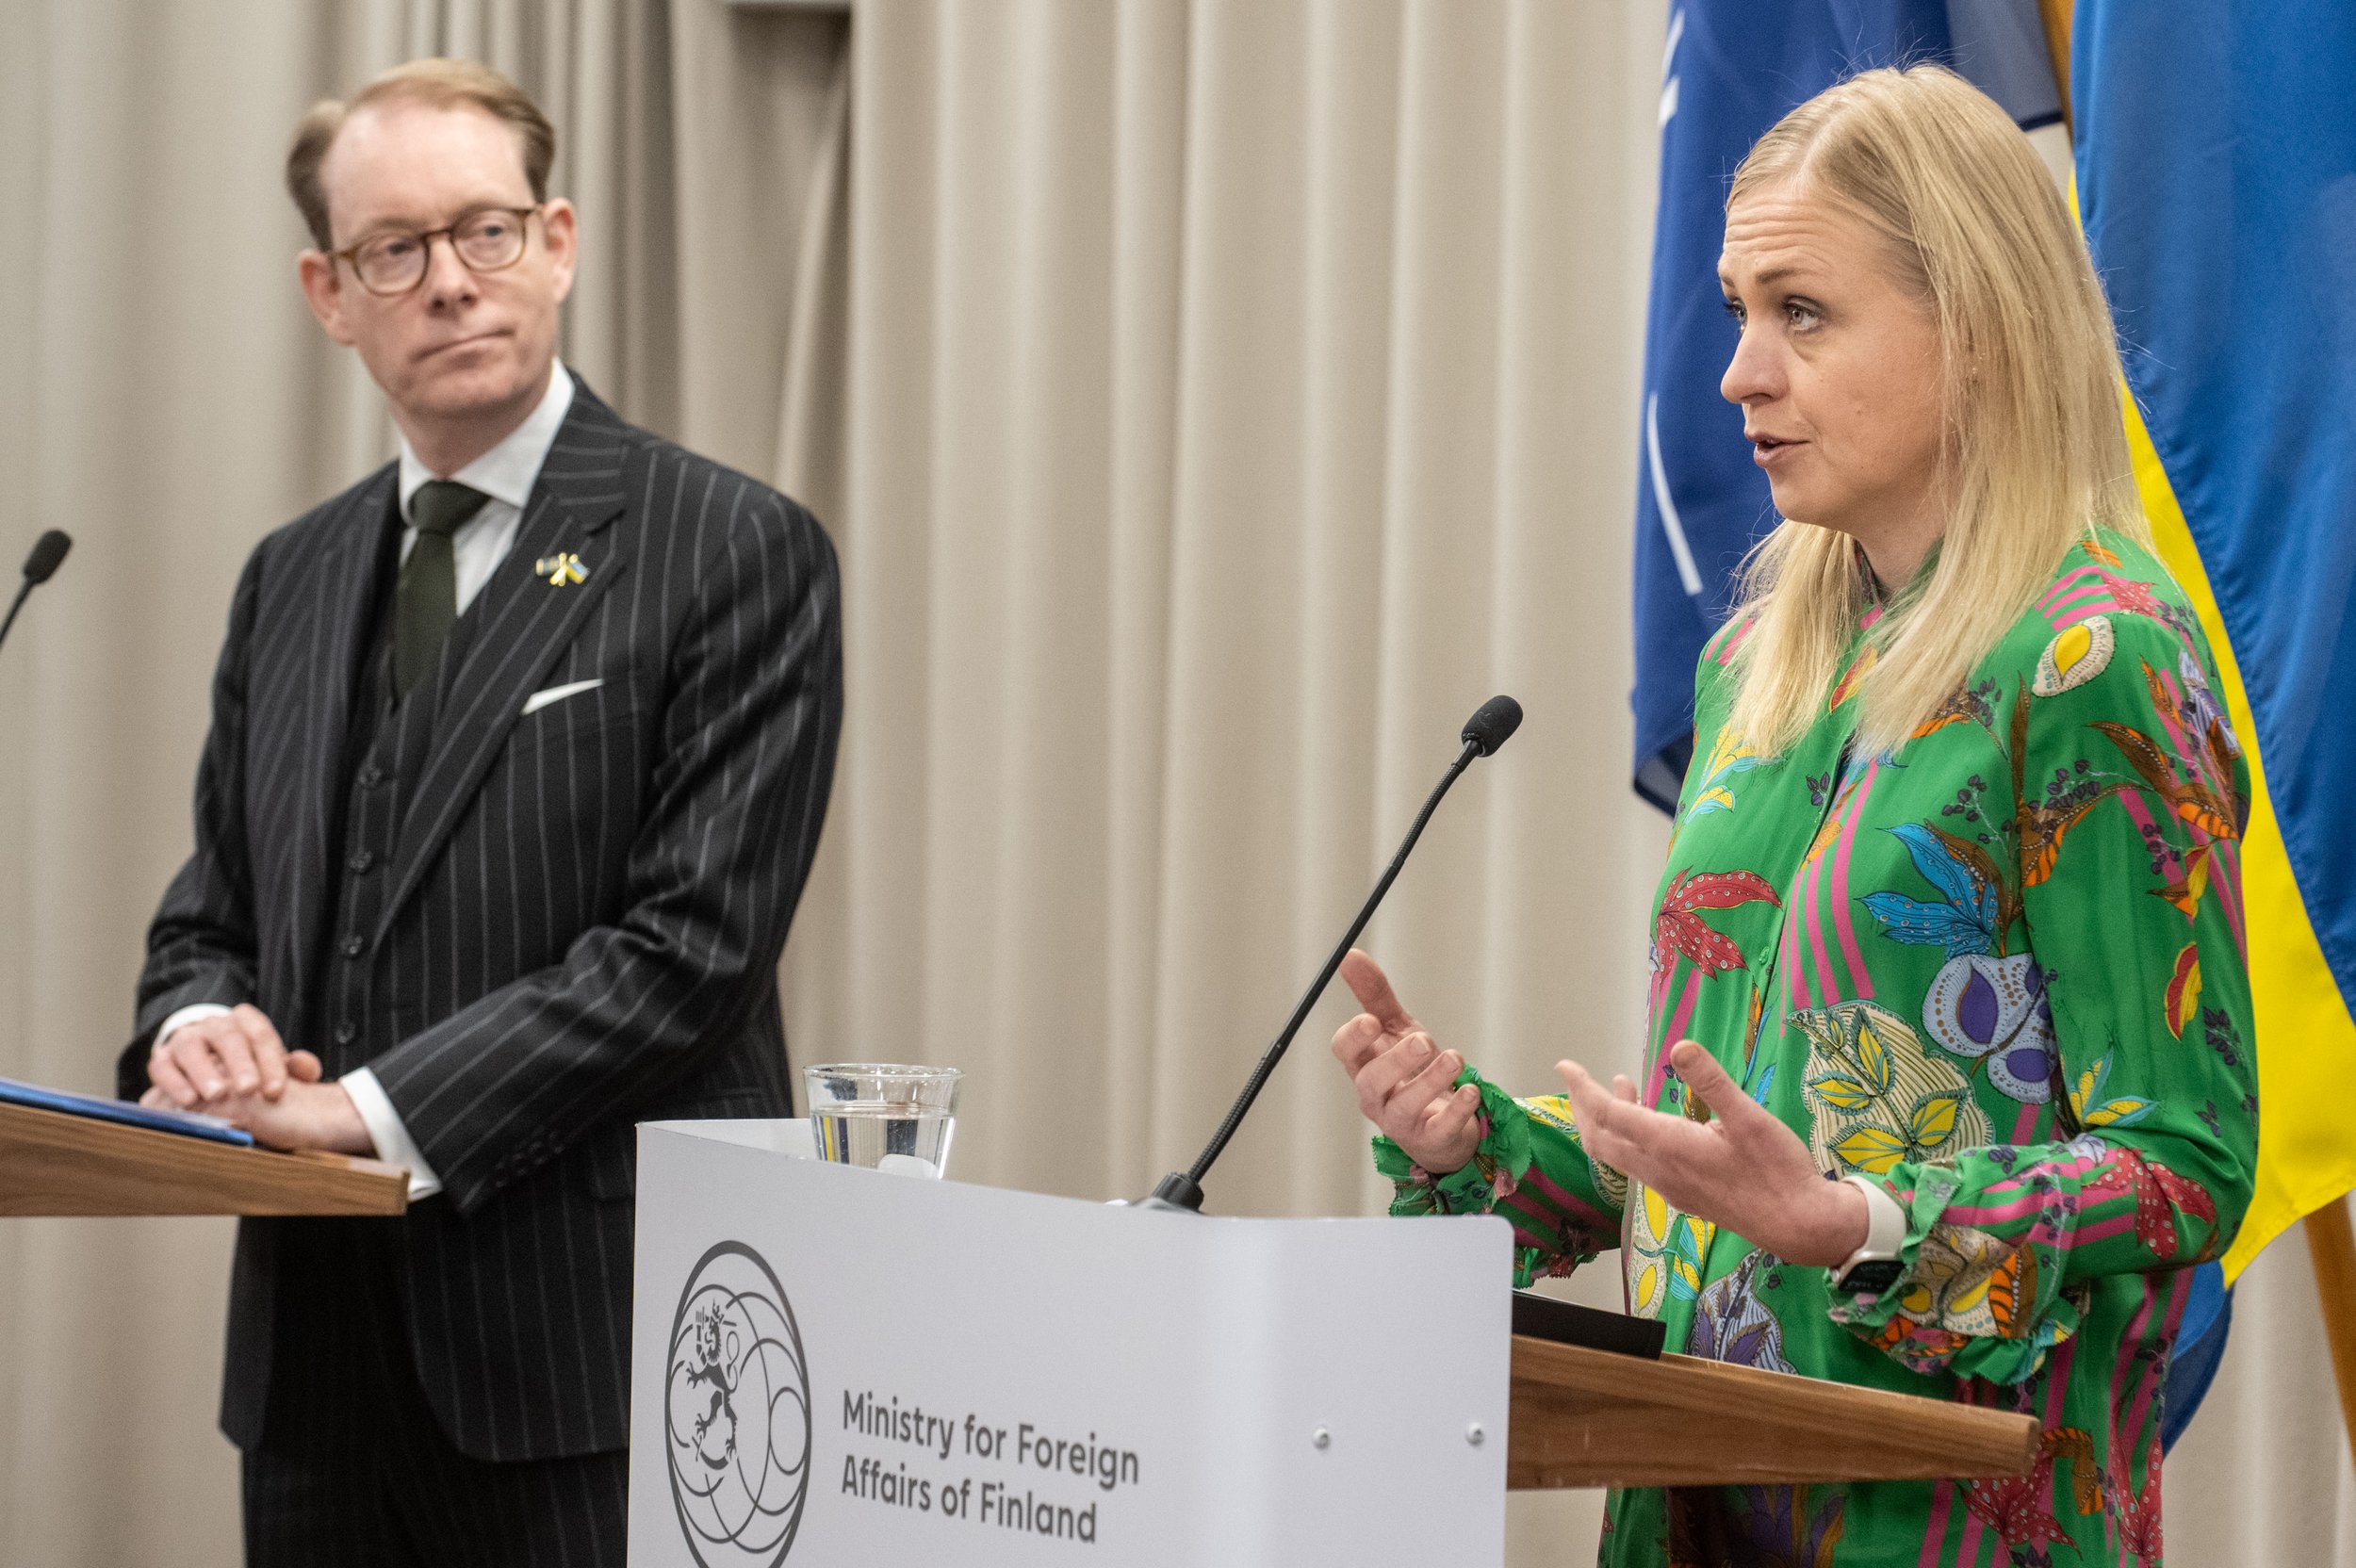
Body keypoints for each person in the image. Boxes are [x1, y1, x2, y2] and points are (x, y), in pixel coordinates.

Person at [1332, 65, 2254, 1567]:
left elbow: (2184, 1161)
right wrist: (1479, 1141)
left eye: (1802, 314)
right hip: (1698, 1507)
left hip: (1950, 1524)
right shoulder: (1762, 666)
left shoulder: (2096, 658)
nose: (1737, 374)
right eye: (1738, 310)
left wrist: (1866, 1227)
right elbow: (1737, 1148)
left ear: (1981, 327)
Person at [118, 58, 842, 1567]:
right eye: (397, 250)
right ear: (330, 290)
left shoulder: (729, 544)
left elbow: (687, 953)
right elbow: (210, 915)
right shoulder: (291, 577)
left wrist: (363, 1118)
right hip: (315, 1384)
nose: (450, 283)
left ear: (559, 240)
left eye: (487, 233)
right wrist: (201, 1029)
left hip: (592, 1359)